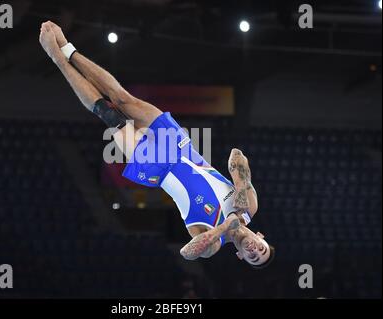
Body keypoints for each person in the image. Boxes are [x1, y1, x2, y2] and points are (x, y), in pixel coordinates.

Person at [39, 21, 275, 268]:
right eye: (261, 249)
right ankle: (67, 49)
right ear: (260, 237)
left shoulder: (213, 245)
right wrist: (239, 194)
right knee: (121, 98)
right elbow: (237, 157)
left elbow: (188, 253)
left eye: (253, 257)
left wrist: (225, 226)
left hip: (159, 169)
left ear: (241, 256)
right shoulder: (250, 206)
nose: (254, 250)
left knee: (108, 113)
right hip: (181, 146)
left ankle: (56, 58)